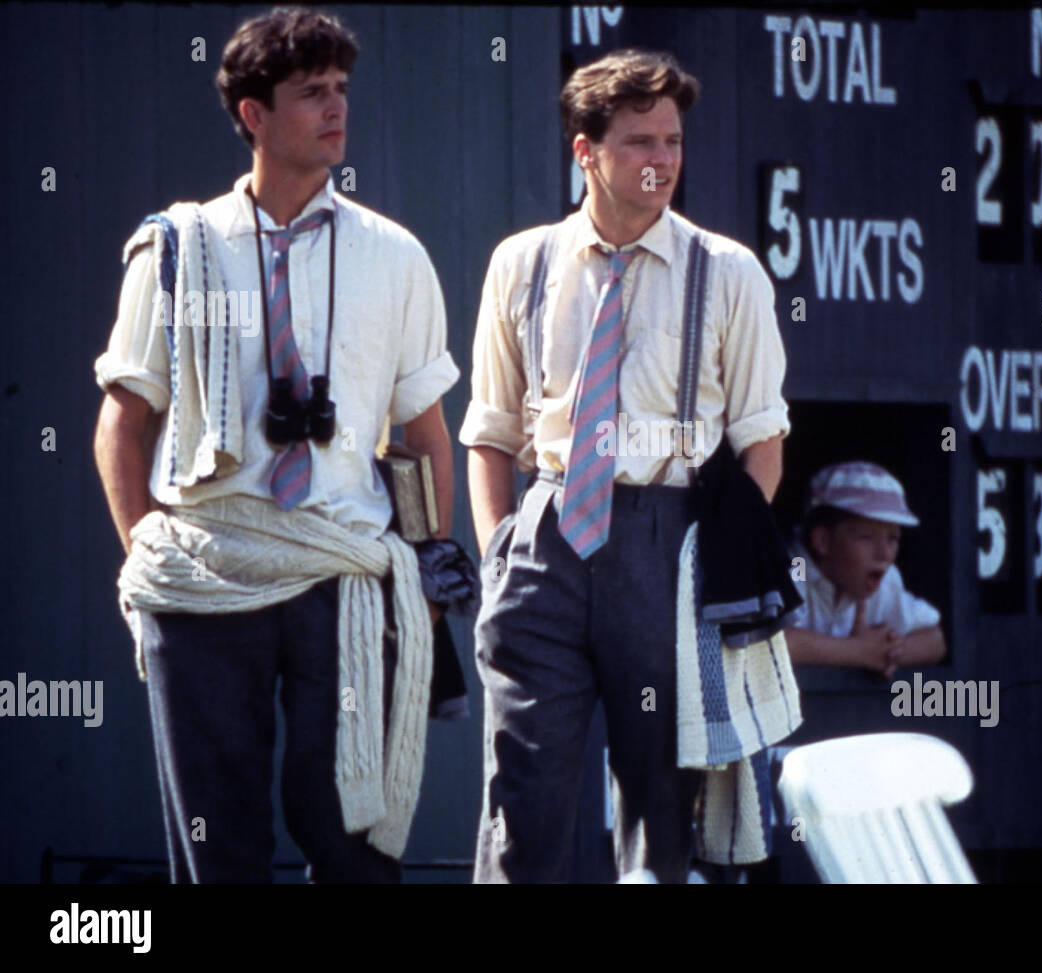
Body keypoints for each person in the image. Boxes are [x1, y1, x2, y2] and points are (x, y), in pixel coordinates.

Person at [91, 7, 459, 883]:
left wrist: (434, 567)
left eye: (341, 90)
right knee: (219, 845)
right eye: (310, 94)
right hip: (207, 570)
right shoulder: (179, 248)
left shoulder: (394, 255)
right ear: (254, 115)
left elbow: (425, 434)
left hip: (343, 571)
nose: (336, 110)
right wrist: (146, 559)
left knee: (353, 837)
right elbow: (123, 418)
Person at [459, 48, 794, 883]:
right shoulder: (523, 261)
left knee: (663, 803)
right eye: (640, 143)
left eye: (673, 142)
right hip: (548, 535)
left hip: (668, 537)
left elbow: (763, 440)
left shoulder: (728, 271)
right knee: (521, 798)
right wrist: (502, 546)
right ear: (586, 151)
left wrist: (718, 550)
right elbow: (490, 429)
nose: (663, 162)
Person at [785, 461, 946, 676]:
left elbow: (935, 640)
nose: (884, 553)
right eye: (866, 537)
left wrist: (888, 651)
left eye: (893, 538)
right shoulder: (795, 567)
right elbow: (772, 642)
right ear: (822, 540)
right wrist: (860, 652)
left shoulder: (883, 577)